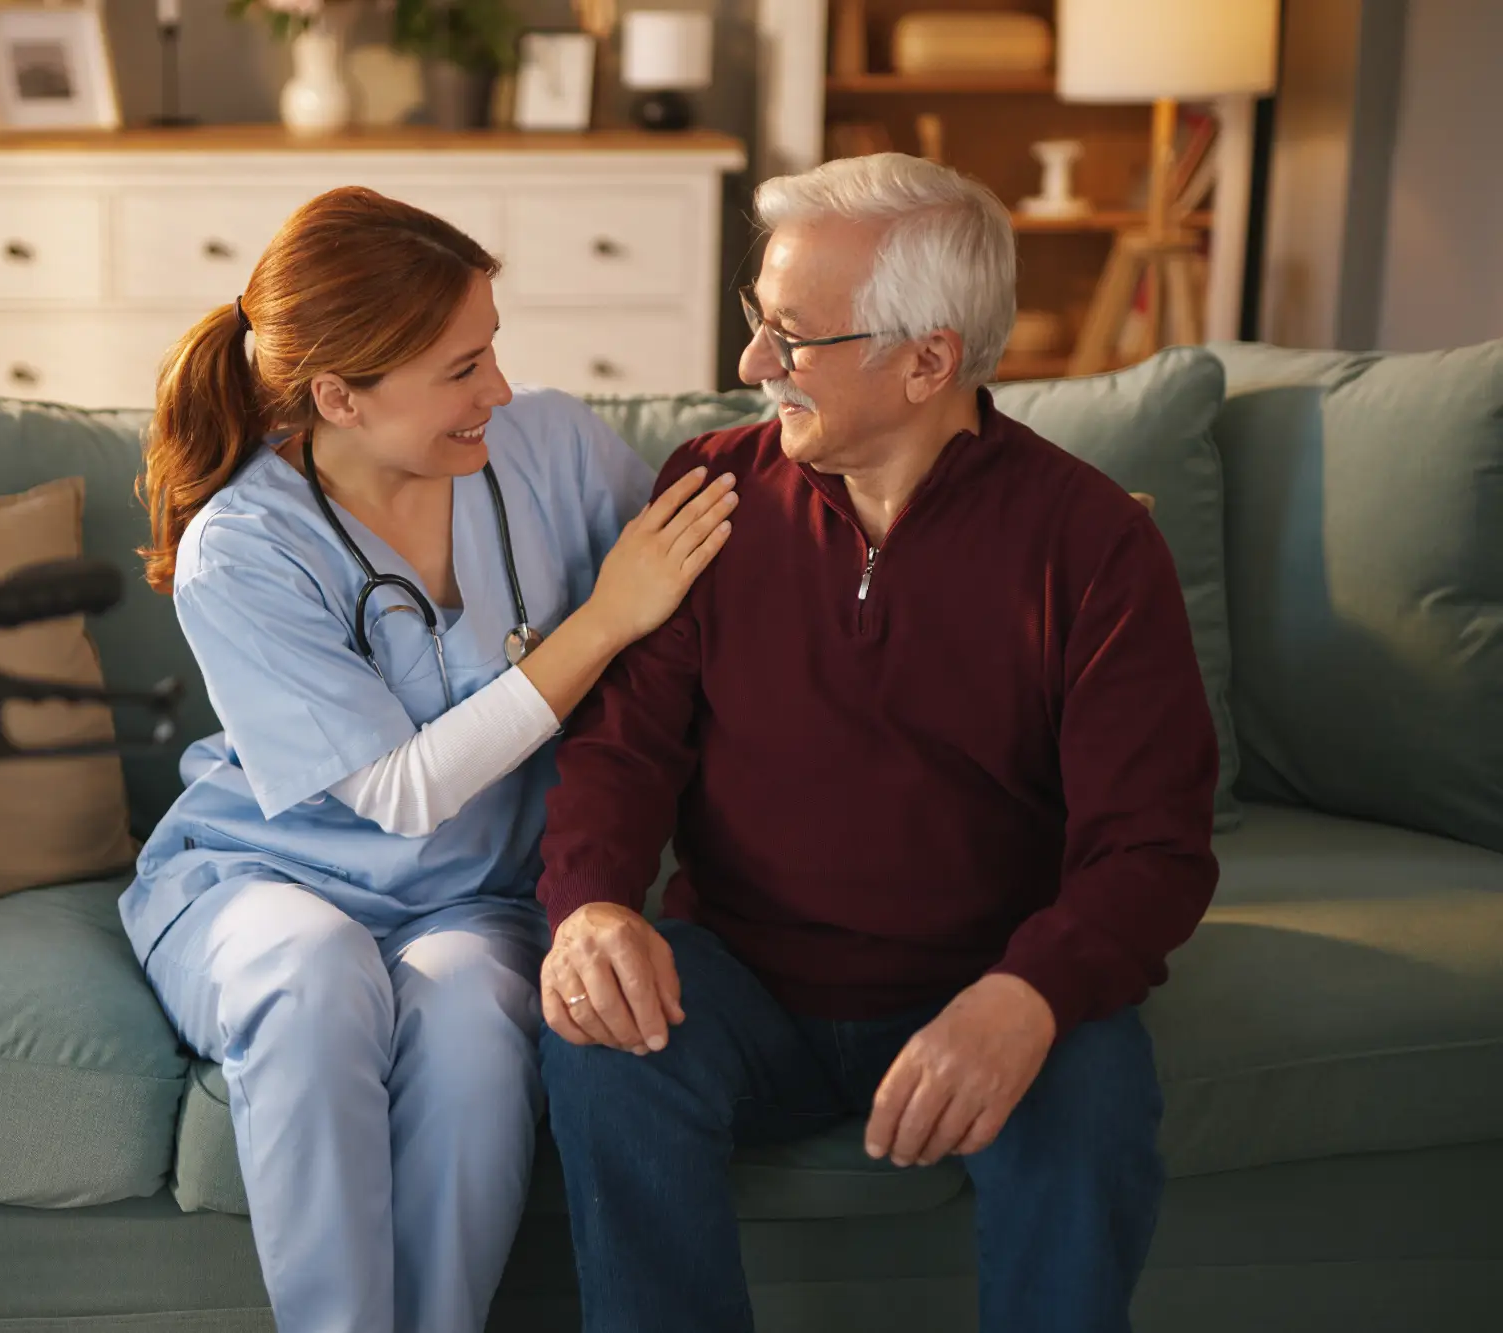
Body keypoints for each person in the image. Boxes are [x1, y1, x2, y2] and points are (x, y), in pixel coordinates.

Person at [535, 153, 1220, 1332]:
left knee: (1095, 1088)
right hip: (741, 980)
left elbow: (1150, 847)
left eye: (791, 338)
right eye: (758, 323)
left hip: (988, 972)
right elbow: (622, 748)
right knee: (602, 1043)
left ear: (928, 359)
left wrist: (1027, 996)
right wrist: (590, 903)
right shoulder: (708, 492)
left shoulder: (1093, 544)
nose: (751, 366)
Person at [119, 186, 737, 1333]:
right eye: (459, 370)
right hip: (265, 881)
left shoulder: (548, 449)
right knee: (313, 976)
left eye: (491, 348)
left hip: (473, 897)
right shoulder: (242, 547)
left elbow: (712, 579)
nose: (495, 390)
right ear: (338, 396)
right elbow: (403, 791)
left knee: (466, 1026)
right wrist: (598, 621)